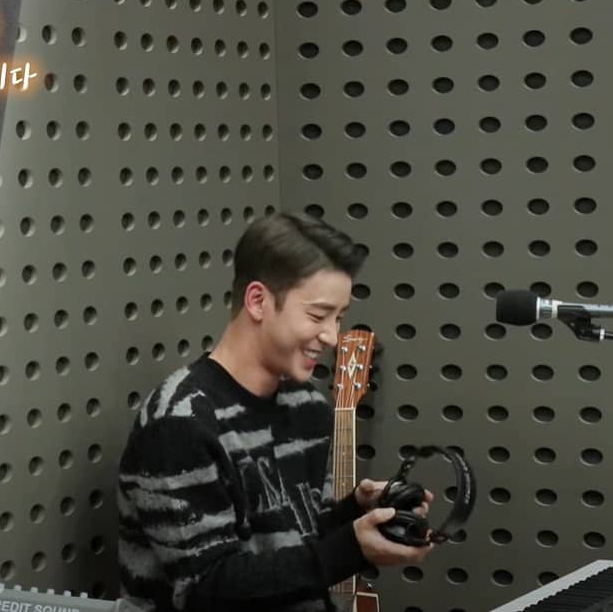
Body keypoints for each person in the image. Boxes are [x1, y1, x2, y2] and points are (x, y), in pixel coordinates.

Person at [116, 210, 434, 612]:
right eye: (318, 315)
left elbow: (297, 545)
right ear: (258, 301)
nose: (332, 336)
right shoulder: (179, 423)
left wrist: (358, 512)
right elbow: (205, 590)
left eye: (339, 317)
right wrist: (350, 549)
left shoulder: (308, 407)